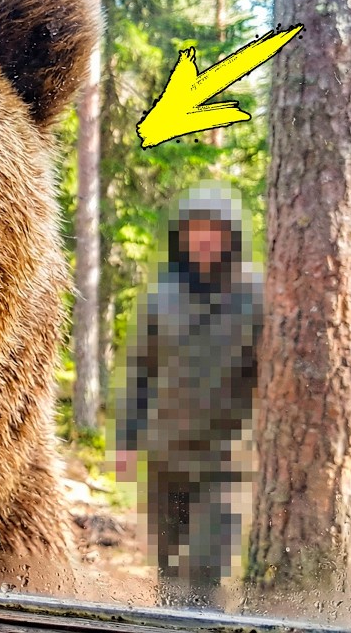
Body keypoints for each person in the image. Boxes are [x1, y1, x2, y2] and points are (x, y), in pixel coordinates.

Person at [113, 182, 263, 609]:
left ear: (230, 237)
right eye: (195, 231)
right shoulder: (161, 298)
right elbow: (137, 374)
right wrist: (125, 442)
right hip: (164, 458)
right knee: (167, 568)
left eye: (213, 231)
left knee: (203, 570)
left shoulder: (255, 298)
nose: (203, 240)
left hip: (223, 464)